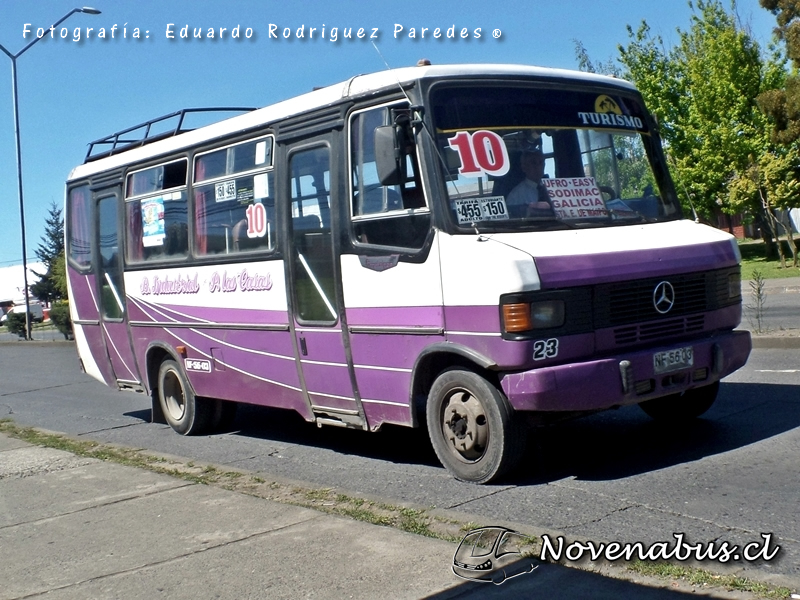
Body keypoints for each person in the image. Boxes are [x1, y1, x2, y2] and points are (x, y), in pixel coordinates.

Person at [506, 149, 554, 218]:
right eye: (533, 163)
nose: (538, 167)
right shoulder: (515, 195)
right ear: (524, 167)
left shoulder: (554, 189)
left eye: (541, 162)